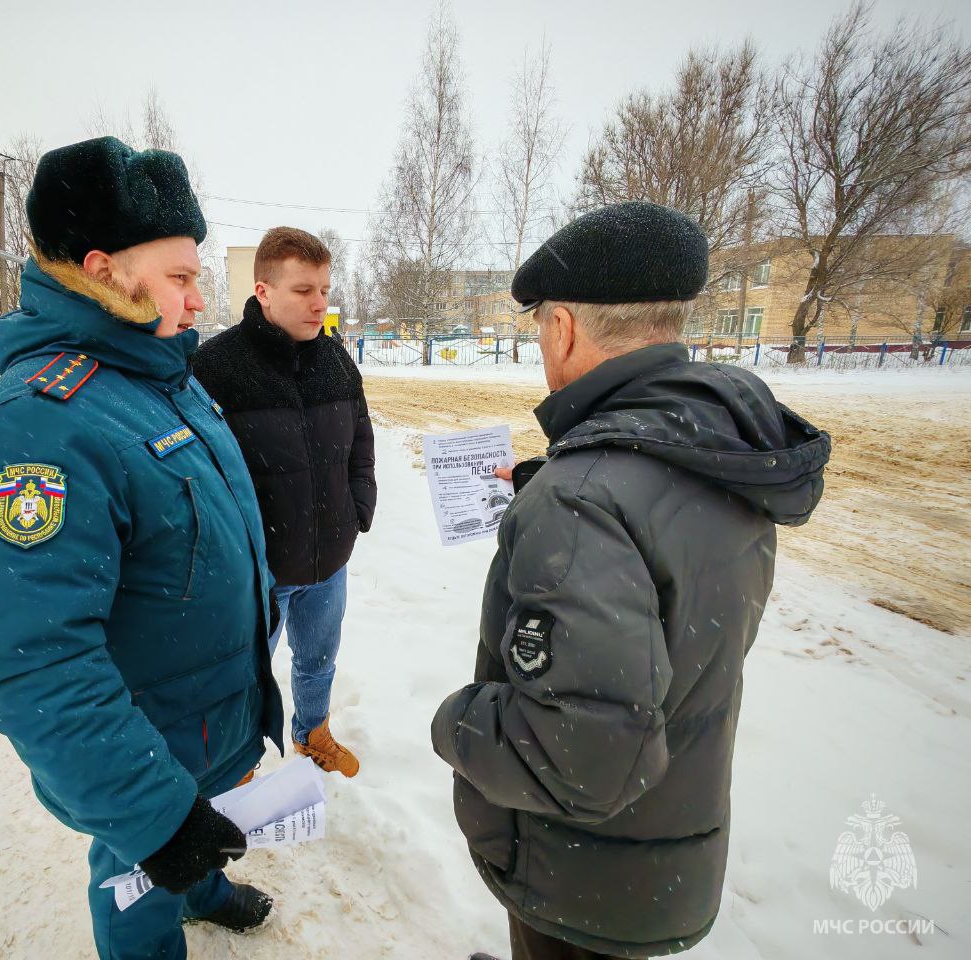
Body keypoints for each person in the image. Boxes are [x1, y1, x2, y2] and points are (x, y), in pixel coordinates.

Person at [430, 201, 831, 959]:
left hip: (578, 874)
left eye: (539, 328)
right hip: (663, 841)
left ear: (563, 328)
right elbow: (667, 555)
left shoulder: (583, 501)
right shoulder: (713, 443)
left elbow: (577, 756)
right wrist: (559, 486)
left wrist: (456, 721)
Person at [0, 136, 284, 960]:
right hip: (144, 742)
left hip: (201, 718)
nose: (199, 300)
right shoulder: (41, 426)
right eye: (180, 277)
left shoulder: (157, 376)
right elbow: (33, 663)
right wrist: (154, 817)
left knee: (199, 831)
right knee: (139, 869)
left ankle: (200, 887)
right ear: (103, 271)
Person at [192, 227, 376, 777]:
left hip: (328, 561)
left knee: (318, 661)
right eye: (303, 290)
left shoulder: (336, 360)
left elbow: (361, 439)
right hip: (258, 572)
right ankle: (238, 761)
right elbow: (195, 473)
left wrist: (358, 507)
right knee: (241, 674)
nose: (320, 304)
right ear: (264, 291)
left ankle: (312, 733)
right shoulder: (213, 367)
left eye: (324, 289)